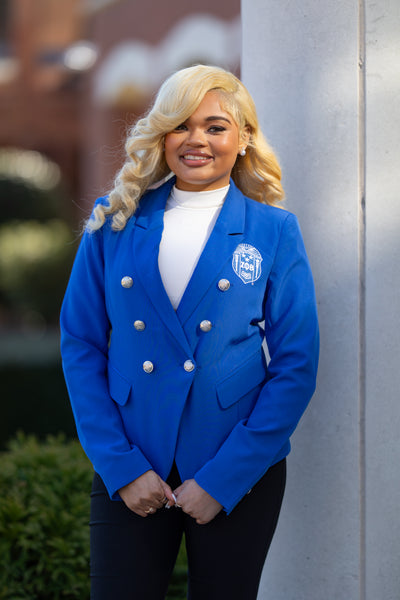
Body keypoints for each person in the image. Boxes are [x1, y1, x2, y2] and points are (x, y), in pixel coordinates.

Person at [60, 64, 319, 600]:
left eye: (216, 126)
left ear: (243, 138)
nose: (196, 139)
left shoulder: (273, 230)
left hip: (235, 468)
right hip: (133, 462)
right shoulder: (115, 219)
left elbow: (296, 364)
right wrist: (121, 465)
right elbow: (81, 344)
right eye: (181, 124)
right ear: (163, 134)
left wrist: (223, 480)